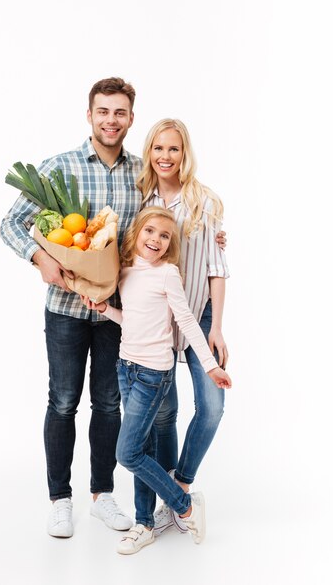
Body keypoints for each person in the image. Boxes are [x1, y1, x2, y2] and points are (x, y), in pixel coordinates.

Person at [0, 77, 143, 537]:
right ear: (89, 115)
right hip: (64, 308)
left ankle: (102, 495)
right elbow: (10, 224)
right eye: (104, 111)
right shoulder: (58, 167)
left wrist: (212, 235)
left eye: (120, 113)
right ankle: (60, 499)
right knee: (62, 403)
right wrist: (40, 257)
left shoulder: (141, 173)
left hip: (117, 311)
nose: (111, 120)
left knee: (108, 402)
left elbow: (166, 224)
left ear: (131, 119)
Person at [81, 206, 231, 554]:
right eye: (151, 231)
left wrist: (210, 366)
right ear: (137, 232)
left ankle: (184, 504)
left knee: (127, 452)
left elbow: (188, 323)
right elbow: (131, 317)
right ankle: (144, 524)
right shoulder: (126, 270)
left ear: (170, 244)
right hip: (126, 368)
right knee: (143, 447)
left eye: (165, 236)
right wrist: (106, 311)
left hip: (153, 374)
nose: (156, 240)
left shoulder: (167, 274)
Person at [136, 118, 230, 536]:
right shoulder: (141, 198)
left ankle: (182, 483)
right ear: (149, 152)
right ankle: (165, 506)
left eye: (173, 149)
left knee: (211, 407)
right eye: (158, 148)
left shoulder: (204, 202)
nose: (165, 157)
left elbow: (216, 267)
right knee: (164, 414)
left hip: (198, 318)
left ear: (184, 153)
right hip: (157, 322)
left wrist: (218, 328)